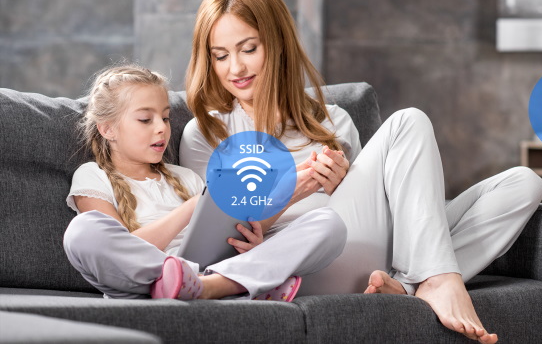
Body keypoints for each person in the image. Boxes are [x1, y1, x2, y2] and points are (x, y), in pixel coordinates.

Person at [180, 0, 542, 343]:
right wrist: (295, 189)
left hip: (380, 251)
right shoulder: (205, 134)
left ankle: (407, 284)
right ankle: (438, 278)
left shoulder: (333, 120)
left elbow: (376, 206)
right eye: (221, 55)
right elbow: (209, 249)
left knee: (524, 184)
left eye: (248, 49)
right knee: (407, 121)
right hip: (302, 260)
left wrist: (343, 185)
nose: (236, 68)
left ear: (276, 45)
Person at [62, 64, 347, 301]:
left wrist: (252, 241)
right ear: (107, 128)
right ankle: (230, 282)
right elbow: (124, 246)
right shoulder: (92, 175)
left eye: (164, 117)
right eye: (145, 119)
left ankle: (210, 285)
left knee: (328, 224)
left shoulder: (185, 177)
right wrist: (192, 207)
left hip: (207, 268)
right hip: (139, 274)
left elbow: (219, 237)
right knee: (82, 232)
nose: (162, 128)